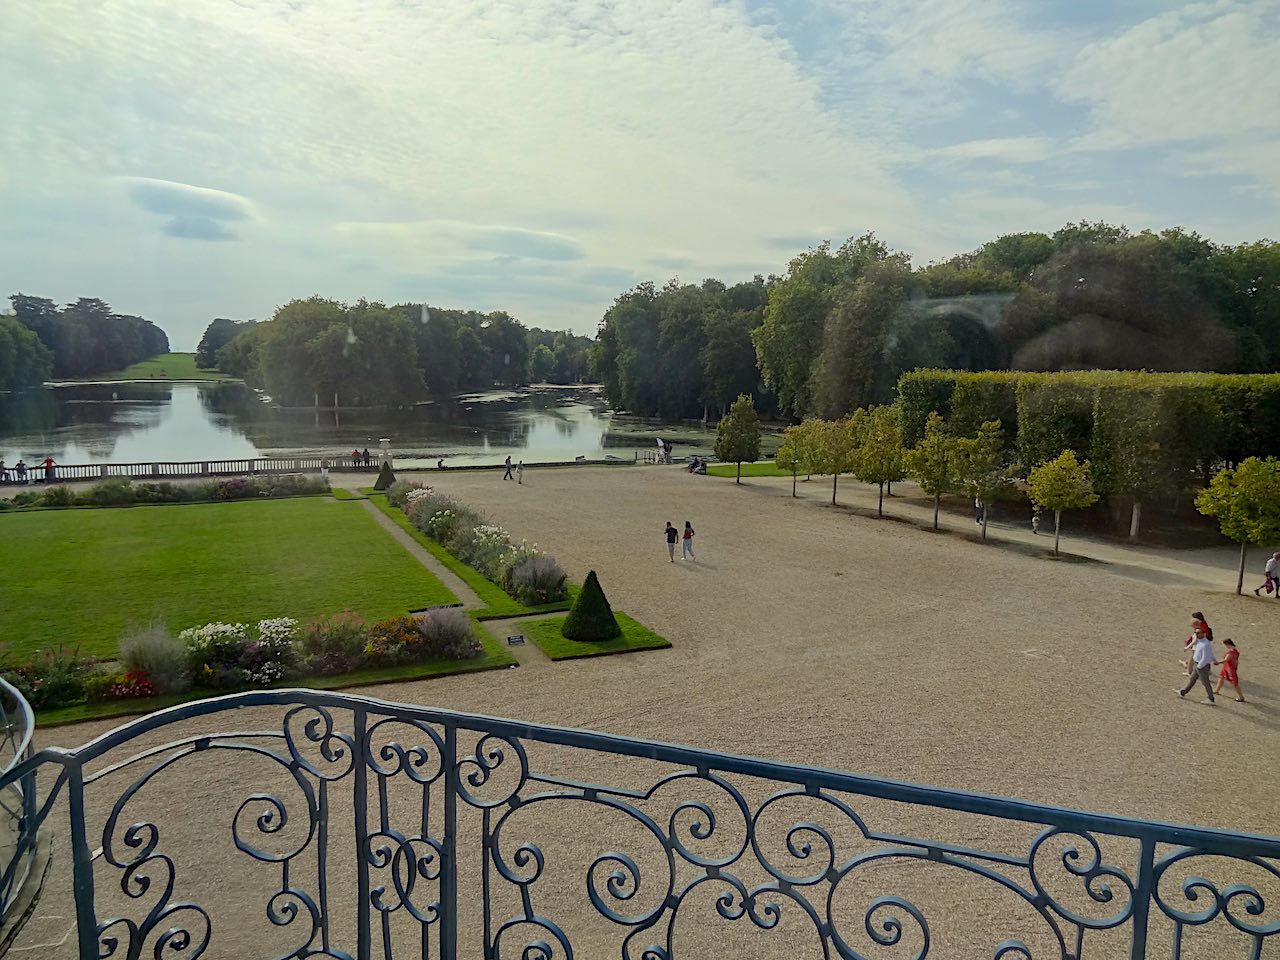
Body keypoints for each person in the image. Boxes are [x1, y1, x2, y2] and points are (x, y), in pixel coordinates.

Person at [1177, 623, 1216, 704]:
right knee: (1192, 679)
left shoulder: (1205, 644)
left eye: (1198, 633)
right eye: (1196, 633)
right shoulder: (1201, 642)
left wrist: (1199, 666)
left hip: (1201, 666)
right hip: (1197, 664)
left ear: (1204, 634)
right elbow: (1210, 654)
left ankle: (1211, 699)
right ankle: (1183, 692)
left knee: (1205, 682)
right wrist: (1214, 660)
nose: (1196, 635)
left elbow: (1205, 657)